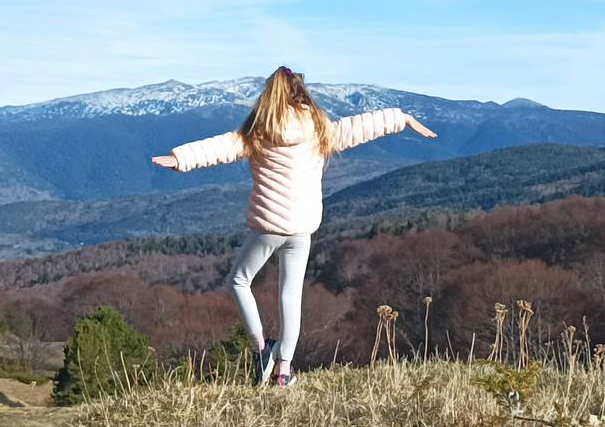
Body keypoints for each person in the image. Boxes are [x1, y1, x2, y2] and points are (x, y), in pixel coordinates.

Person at [151, 66, 438, 387]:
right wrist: (402, 119)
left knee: (237, 281)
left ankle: (260, 349)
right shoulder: (319, 130)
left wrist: (180, 158)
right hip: (302, 228)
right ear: (302, 92)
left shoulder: (259, 132)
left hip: (268, 227)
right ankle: (283, 371)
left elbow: (221, 147)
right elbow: (361, 126)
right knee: (290, 295)